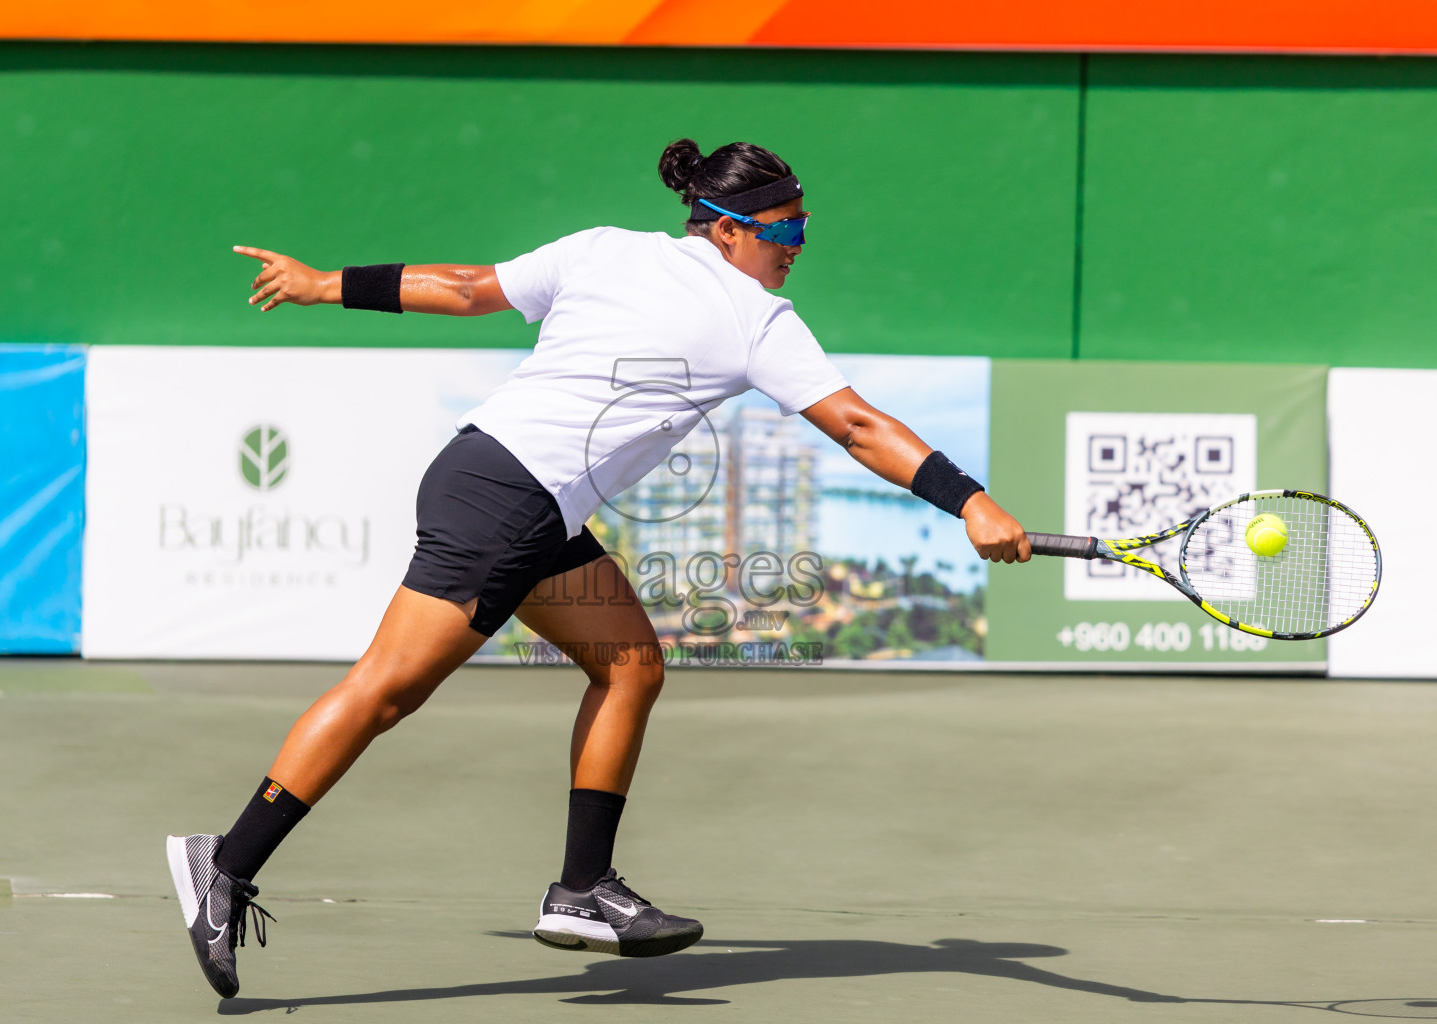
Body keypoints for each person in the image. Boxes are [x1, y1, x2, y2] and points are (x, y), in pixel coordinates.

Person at [166, 138, 1031, 1000]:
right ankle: (226, 863)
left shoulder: (605, 247)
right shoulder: (755, 319)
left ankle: (583, 889)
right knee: (386, 690)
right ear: (727, 230)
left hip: (498, 482)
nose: (800, 242)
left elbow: (470, 290)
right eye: (786, 226)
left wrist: (326, 284)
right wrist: (969, 501)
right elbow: (859, 427)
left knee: (628, 667)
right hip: (509, 499)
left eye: (804, 224)